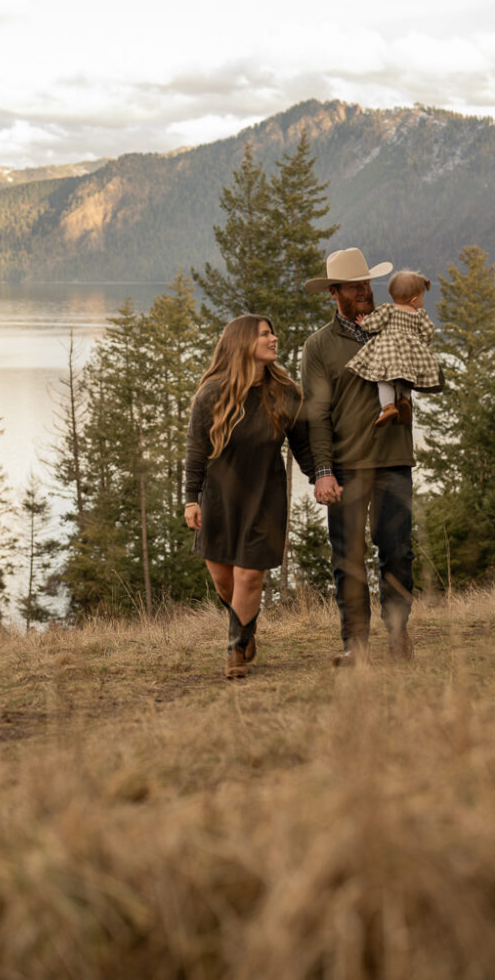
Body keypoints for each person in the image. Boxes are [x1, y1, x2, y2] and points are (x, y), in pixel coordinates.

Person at [302, 248, 441, 664]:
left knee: (398, 552)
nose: (364, 291)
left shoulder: (395, 326)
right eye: (353, 286)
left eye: (366, 283)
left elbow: (426, 368)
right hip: (345, 466)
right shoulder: (319, 346)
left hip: (394, 459)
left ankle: (398, 633)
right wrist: (323, 472)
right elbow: (317, 415)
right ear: (334, 293)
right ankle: (355, 646)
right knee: (348, 559)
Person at [185, 314, 314, 680]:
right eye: (264, 334)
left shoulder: (286, 392)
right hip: (218, 499)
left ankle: (236, 650)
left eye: (273, 333)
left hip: (265, 497)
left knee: (249, 577)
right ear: (242, 342)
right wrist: (191, 499)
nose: (274, 339)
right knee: (224, 580)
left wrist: (322, 478)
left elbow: (304, 448)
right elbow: (196, 450)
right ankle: (245, 624)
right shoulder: (213, 392)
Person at [346, 270, 442, 426]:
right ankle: (404, 400)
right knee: (407, 379)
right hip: (409, 356)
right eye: (422, 298)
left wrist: (364, 323)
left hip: (389, 353)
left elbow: (374, 324)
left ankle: (388, 407)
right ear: (414, 300)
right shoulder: (420, 315)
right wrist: (419, 343)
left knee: (384, 379)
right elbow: (429, 333)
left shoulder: (388, 309)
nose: (423, 301)